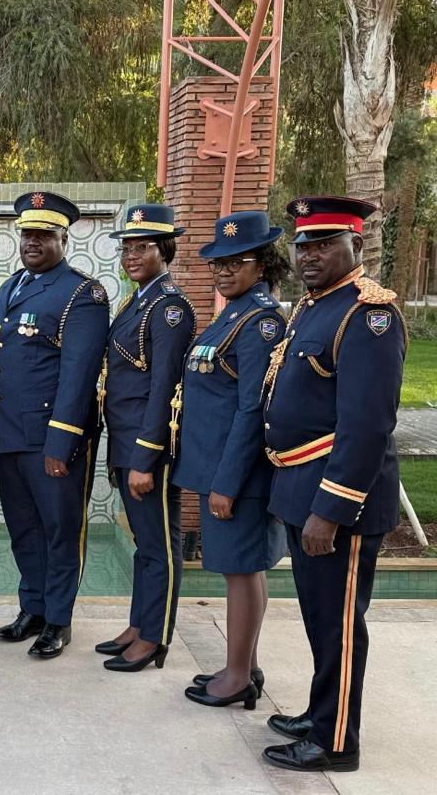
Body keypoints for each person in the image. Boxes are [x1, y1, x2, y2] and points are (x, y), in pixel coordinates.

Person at [261, 196, 405, 774]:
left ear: (357, 245)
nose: (310, 256)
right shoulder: (316, 307)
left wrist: (331, 510)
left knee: (339, 624)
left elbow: (367, 426)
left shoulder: (369, 316)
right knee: (321, 619)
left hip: (336, 500)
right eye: (303, 245)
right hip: (302, 487)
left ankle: (337, 741)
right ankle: (324, 713)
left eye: (324, 244)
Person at [0, 191, 110, 659]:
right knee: (24, 528)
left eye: (43, 234)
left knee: (59, 530)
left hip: (50, 439)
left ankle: (58, 620)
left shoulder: (82, 294)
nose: (32, 242)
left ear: (63, 239)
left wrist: (62, 441)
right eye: (27, 234)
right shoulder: (9, 287)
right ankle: (32, 609)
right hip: (9, 433)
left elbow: (79, 374)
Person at [173, 211, 289, 709]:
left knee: (242, 572)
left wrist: (227, 482)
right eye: (218, 263)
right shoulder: (235, 314)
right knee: (241, 571)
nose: (223, 271)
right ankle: (244, 665)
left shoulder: (260, 323)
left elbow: (251, 410)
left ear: (261, 264)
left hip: (236, 475)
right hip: (216, 466)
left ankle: (240, 675)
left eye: (236, 262)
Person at [99, 204, 195, 672]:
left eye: (143, 247)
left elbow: (163, 387)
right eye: (127, 248)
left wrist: (145, 457)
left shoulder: (169, 308)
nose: (132, 256)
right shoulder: (139, 300)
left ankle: (155, 638)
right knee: (144, 543)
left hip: (146, 447)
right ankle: (138, 624)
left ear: (166, 250)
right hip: (126, 441)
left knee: (159, 548)